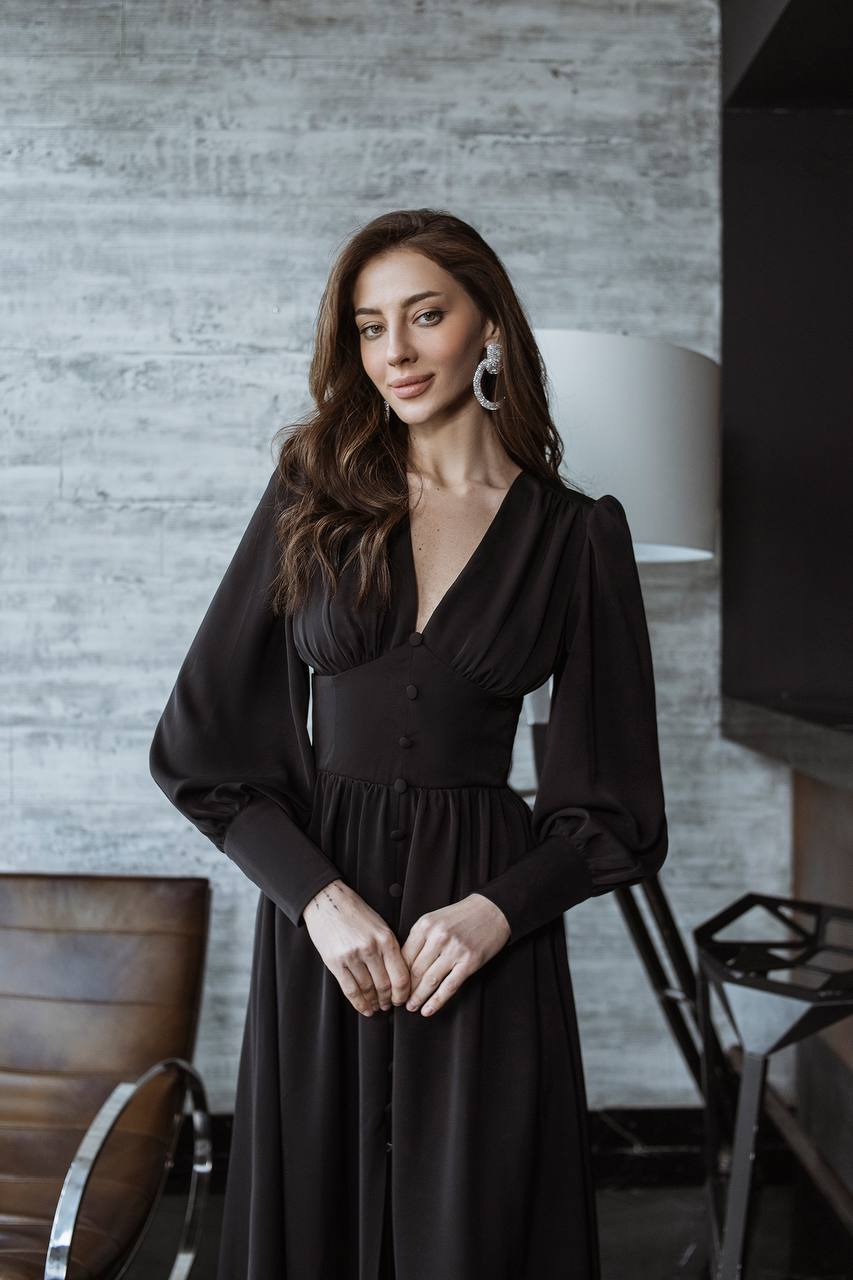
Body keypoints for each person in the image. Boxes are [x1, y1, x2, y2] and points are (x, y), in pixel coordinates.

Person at [148, 208, 669, 1280]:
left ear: (487, 327)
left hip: (479, 926)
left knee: (474, 1233)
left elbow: (612, 807)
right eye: (369, 326)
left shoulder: (575, 534)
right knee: (314, 1221)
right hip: (322, 923)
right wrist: (318, 899)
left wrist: (495, 913)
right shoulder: (313, 489)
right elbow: (206, 745)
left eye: (424, 316)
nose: (394, 351)